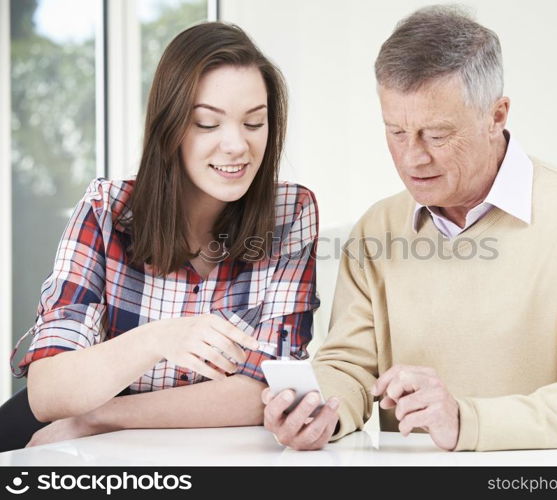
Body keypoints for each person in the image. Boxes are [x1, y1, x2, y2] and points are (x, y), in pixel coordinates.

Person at [261, 5, 557, 452]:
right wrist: (318, 410)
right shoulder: (378, 228)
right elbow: (349, 367)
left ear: (497, 116)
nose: (413, 158)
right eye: (396, 132)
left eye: (436, 134)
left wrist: (467, 420)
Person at [2, 22, 319, 450]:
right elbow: (47, 391)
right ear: (170, 127)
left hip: (115, 434)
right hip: (57, 441)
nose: (236, 145)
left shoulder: (291, 214)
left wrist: (99, 418)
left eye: (254, 123)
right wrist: (159, 339)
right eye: (208, 123)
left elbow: (261, 391)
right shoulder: (106, 210)